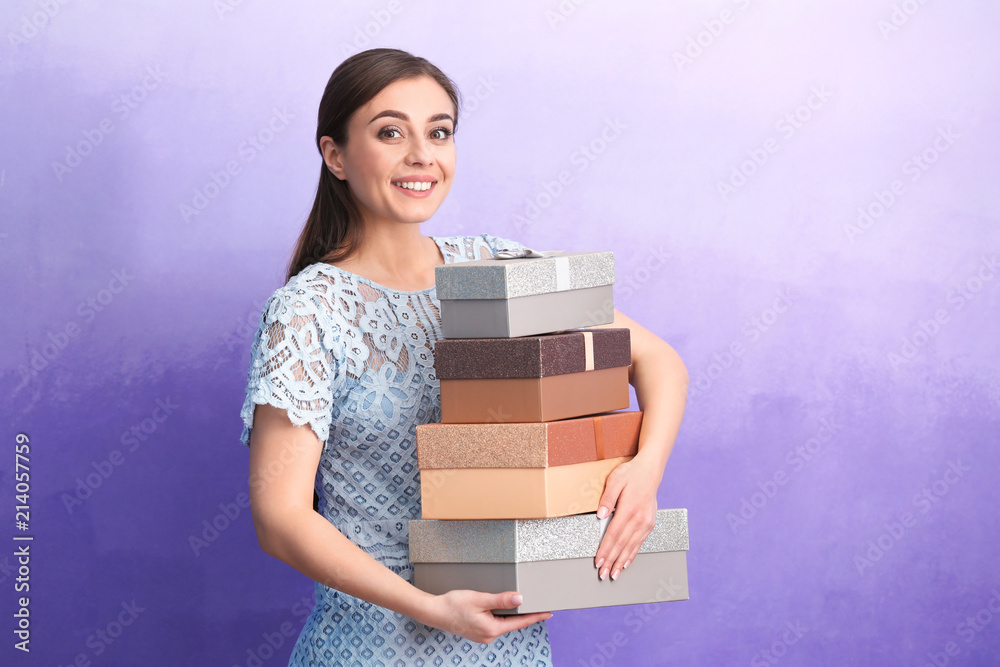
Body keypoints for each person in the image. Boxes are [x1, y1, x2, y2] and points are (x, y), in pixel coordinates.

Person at [239, 47, 688, 666]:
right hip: (372, 646)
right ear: (334, 155)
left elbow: (657, 360)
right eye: (390, 132)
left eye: (439, 132)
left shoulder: (494, 266)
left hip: (510, 647)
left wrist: (645, 471)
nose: (421, 155)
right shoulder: (307, 311)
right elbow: (279, 517)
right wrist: (431, 608)